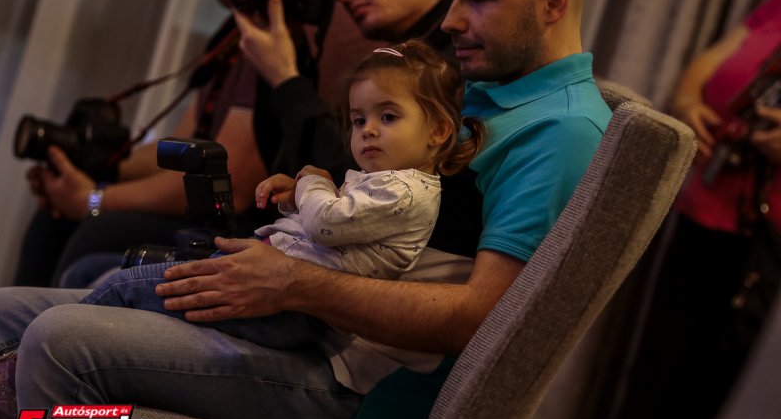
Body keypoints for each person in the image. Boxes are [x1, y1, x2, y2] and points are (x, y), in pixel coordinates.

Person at [0, 0, 609, 419]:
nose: (451, 20)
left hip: (350, 386)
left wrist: (291, 282)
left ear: (552, 2)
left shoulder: (560, 131)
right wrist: (311, 194)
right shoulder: (483, 84)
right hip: (307, 322)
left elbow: (477, 320)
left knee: (61, 344)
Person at [79, 41, 484, 355]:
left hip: (290, 312)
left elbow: (325, 223)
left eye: (388, 116)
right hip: (279, 295)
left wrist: (311, 181)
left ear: (439, 131)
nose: (368, 130)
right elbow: (336, 224)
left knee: (124, 288)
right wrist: (296, 198)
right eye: (359, 119)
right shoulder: (384, 182)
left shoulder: (404, 191)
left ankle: (53, 347)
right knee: (120, 281)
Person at [14, 0, 348, 287]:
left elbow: (230, 179)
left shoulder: (284, 33)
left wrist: (94, 200)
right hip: (212, 213)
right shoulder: (235, 29)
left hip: (246, 226)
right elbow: (181, 147)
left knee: (99, 230)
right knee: (55, 218)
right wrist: (93, 168)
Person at [602, 0, 781, 419]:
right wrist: (685, 101)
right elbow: (711, 61)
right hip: (703, 214)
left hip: (763, 243)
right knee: (648, 380)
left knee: (695, 400)